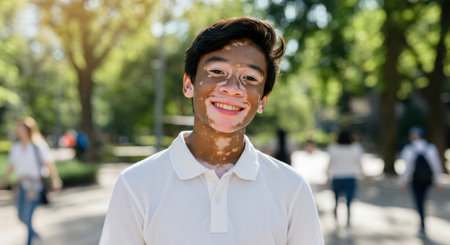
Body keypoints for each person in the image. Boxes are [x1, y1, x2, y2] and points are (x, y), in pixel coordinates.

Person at [100, 17, 324, 244]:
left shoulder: (292, 188)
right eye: (217, 71)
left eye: (249, 78)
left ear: (262, 100)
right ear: (189, 84)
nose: (233, 88)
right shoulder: (136, 185)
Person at [0, 116, 62, 245]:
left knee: (28, 217)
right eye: (18, 128)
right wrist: (4, 180)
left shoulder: (39, 146)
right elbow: (11, 166)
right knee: (20, 216)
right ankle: (35, 234)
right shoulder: (16, 147)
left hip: (35, 187)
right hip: (21, 186)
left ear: (29, 130)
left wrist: (55, 179)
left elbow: (49, 164)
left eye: (21, 128)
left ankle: (29, 241)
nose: (19, 131)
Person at [399, 126, 443, 237]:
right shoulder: (431, 148)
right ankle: (423, 222)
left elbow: (407, 168)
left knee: (419, 201)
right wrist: (438, 181)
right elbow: (436, 166)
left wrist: (403, 182)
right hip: (427, 180)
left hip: (416, 180)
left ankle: (422, 224)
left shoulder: (409, 149)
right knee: (423, 199)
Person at [326, 129, 365, 228]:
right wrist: (364, 175)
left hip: (337, 176)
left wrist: (327, 175)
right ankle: (348, 215)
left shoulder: (333, 148)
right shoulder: (356, 148)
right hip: (350, 176)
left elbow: (330, 162)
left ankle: (336, 211)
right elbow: (360, 163)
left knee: (336, 197)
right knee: (349, 198)